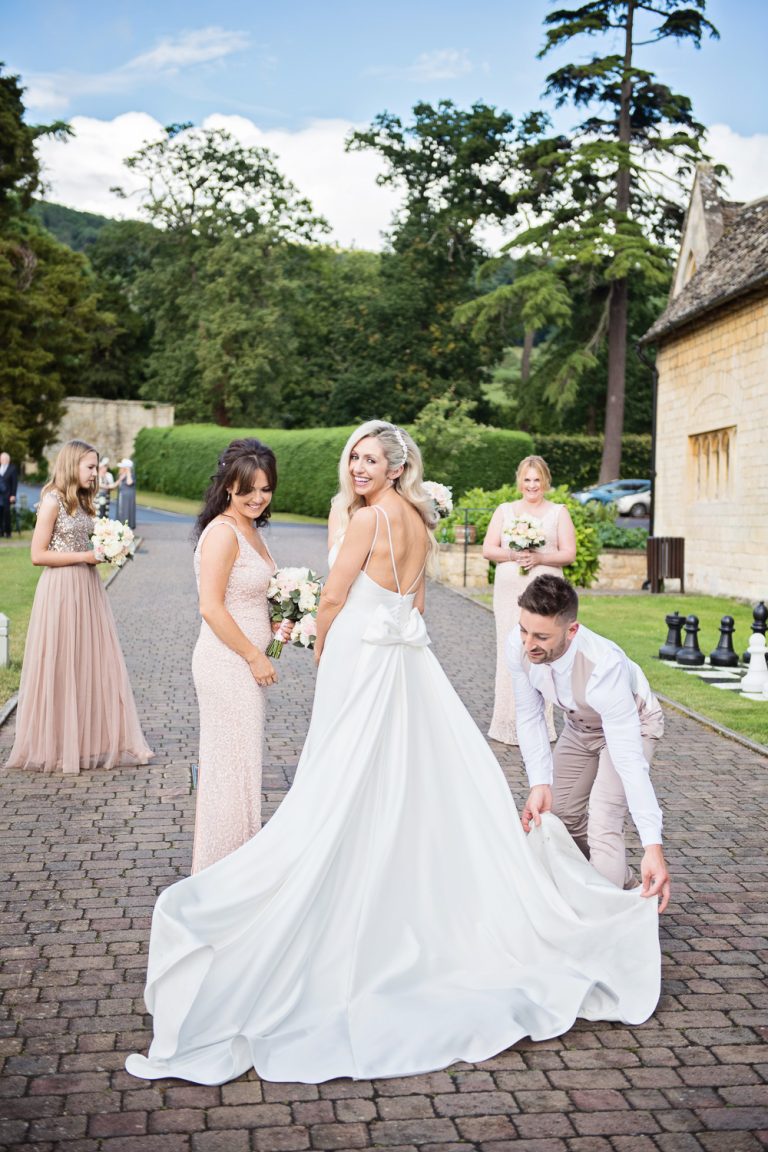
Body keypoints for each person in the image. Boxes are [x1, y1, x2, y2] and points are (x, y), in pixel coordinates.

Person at [126, 420, 662, 1088]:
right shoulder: (417, 518)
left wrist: (323, 641)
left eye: (370, 459)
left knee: (345, 776)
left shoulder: (367, 521)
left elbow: (333, 594)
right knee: (404, 772)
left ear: (393, 466)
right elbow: (418, 600)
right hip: (405, 656)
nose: (357, 466)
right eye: (354, 456)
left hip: (361, 655)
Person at [507, 573, 670, 905]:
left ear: (572, 630)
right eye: (524, 630)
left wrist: (653, 846)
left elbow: (629, 763)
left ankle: (604, 918)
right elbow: (530, 715)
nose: (528, 644)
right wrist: (540, 783)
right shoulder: (519, 645)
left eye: (541, 636)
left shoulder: (603, 667)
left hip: (633, 725)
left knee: (603, 819)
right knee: (560, 815)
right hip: (580, 726)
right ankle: (619, 883)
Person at [5, 439, 153, 775]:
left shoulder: (86, 502)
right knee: (61, 662)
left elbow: (90, 541)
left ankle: (90, 741)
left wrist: (109, 548)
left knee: (89, 661)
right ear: (72, 465)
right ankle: (56, 745)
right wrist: (85, 556)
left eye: (95, 467)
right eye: (90, 467)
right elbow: (37, 555)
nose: (95, 473)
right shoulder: (51, 501)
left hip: (87, 588)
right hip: (60, 588)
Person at [190, 438, 291, 875]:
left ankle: (239, 863)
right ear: (229, 485)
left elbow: (252, 602)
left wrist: (279, 633)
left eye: (265, 489)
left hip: (249, 660)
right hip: (226, 663)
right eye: (248, 488)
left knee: (242, 768)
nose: (257, 498)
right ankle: (221, 871)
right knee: (229, 771)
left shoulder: (253, 530)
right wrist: (254, 655)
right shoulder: (222, 533)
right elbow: (211, 607)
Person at [483, 455, 576, 745]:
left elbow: (568, 553)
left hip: (545, 592)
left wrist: (539, 557)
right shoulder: (505, 510)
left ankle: (540, 723)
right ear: (519, 481)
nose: (532, 485)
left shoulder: (558, 512)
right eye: (527, 479)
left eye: (537, 479)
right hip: (509, 591)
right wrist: (514, 555)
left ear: (545, 481)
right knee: (510, 651)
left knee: (541, 653)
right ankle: (506, 723)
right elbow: (489, 549)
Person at [0, 451, 18, 537]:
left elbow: (14, 483)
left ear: (8, 459)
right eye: (1, 458)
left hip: (8, 495)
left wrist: (13, 495)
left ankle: (8, 532)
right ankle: (1, 532)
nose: (3, 460)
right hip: (0, 495)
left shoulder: (12, 468)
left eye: (4, 458)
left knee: (6, 513)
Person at [115, 458, 137, 529]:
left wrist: (128, 472)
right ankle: (120, 524)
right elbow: (117, 484)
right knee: (121, 511)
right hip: (122, 495)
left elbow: (129, 482)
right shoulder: (120, 475)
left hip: (128, 497)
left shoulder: (131, 475)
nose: (121, 468)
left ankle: (127, 526)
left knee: (127, 511)